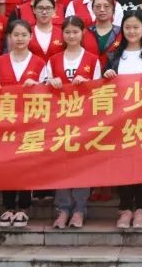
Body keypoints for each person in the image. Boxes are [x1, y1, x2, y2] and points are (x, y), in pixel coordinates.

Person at [103, 13, 142, 229]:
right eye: (127, 27)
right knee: (122, 165)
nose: (131, 31)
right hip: (119, 120)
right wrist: (107, 74)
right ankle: (125, 208)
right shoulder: (113, 56)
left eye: (136, 27)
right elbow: (102, 87)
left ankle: (141, 208)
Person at [42, 17, 101, 229]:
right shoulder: (53, 60)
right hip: (59, 120)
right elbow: (43, 89)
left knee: (82, 165)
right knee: (62, 165)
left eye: (75, 31)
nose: (71, 36)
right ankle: (63, 208)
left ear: (83, 32)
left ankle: (79, 209)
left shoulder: (92, 59)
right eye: (67, 32)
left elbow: (99, 91)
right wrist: (51, 83)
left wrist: (87, 85)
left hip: (83, 120)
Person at [0, 19, 46, 228]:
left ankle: (23, 207)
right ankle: (8, 206)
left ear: (31, 37)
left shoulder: (39, 62)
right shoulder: (0, 61)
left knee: (26, 163)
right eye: (16, 35)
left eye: (24, 35)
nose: (20, 39)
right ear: (9, 38)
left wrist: (37, 85)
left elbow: (47, 92)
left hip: (30, 122)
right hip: (6, 122)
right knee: (7, 163)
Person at [80, 0, 124, 70]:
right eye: (98, 6)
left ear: (113, 10)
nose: (102, 10)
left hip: (115, 77)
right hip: (90, 76)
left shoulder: (122, 33)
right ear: (92, 9)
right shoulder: (84, 33)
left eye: (106, 6)